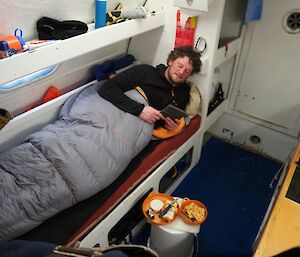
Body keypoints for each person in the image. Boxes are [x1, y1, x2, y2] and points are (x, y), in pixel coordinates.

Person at [98, 46, 201, 130]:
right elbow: (106, 88)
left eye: (187, 71)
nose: (182, 72)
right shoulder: (146, 73)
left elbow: (170, 120)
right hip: (117, 121)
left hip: (143, 132)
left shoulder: (184, 92)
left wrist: (170, 127)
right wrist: (140, 110)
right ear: (170, 61)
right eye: (180, 66)